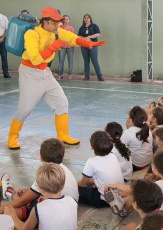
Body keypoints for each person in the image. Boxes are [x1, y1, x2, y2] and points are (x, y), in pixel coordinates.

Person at [7, 7, 105, 150]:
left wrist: (88, 43)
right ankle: (12, 136)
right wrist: (53, 47)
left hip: (45, 73)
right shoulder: (31, 34)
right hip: (30, 73)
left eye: (58, 23)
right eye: (54, 23)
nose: (57, 26)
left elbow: (72, 38)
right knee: (25, 109)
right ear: (45, 22)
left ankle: (63, 135)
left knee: (61, 103)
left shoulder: (56, 31)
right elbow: (35, 59)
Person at [0, 138, 78, 220]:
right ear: (62, 155)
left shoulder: (47, 173)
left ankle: (9, 194)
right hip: (70, 208)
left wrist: (3, 208)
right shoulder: (64, 169)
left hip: (54, 212)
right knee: (28, 195)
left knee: (20, 207)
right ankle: (9, 193)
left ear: (41, 157)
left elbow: (23, 201)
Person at [4, 163, 78, 230]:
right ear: (63, 184)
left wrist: (12, 215)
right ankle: (10, 193)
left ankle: (9, 193)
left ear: (40, 189)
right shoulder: (72, 201)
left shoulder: (38, 209)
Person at [78, 131, 124, 208]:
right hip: (120, 194)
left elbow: (83, 184)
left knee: (78, 191)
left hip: (104, 200)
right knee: (91, 182)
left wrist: (75, 185)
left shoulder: (91, 161)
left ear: (91, 147)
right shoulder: (113, 155)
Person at [121, 106, 153, 170]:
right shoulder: (147, 129)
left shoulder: (128, 132)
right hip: (147, 161)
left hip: (136, 165)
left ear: (131, 119)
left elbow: (119, 147)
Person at [78, 14, 104, 81]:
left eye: (88, 18)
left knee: (95, 61)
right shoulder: (82, 27)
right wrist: (84, 38)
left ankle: (99, 76)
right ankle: (87, 76)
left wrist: (89, 37)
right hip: (84, 47)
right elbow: (79, 36)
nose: (86, 19)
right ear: (84, 19)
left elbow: (98, 34)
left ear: (90, 19)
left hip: (93, 46)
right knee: (86, 61)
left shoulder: (94, 26)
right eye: (85, 18)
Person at [57, 15, 74, 80]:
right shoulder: (60, 27)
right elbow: (58, 35)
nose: (66, 20)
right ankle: (59, 75)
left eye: (67, 19)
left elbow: (71, 37)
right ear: (63, 20)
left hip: (70, 47)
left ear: (69, 20)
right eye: (65, 19)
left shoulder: (71, 28)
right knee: (61, 61)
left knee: (70, 61)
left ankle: (70, 75)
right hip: (62, 46)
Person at [0, 12, 10, 78]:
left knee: (4, 57)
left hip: (2, 39)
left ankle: (6, 73)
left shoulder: (4, 18)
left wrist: (2, 38)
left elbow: (7, 29)